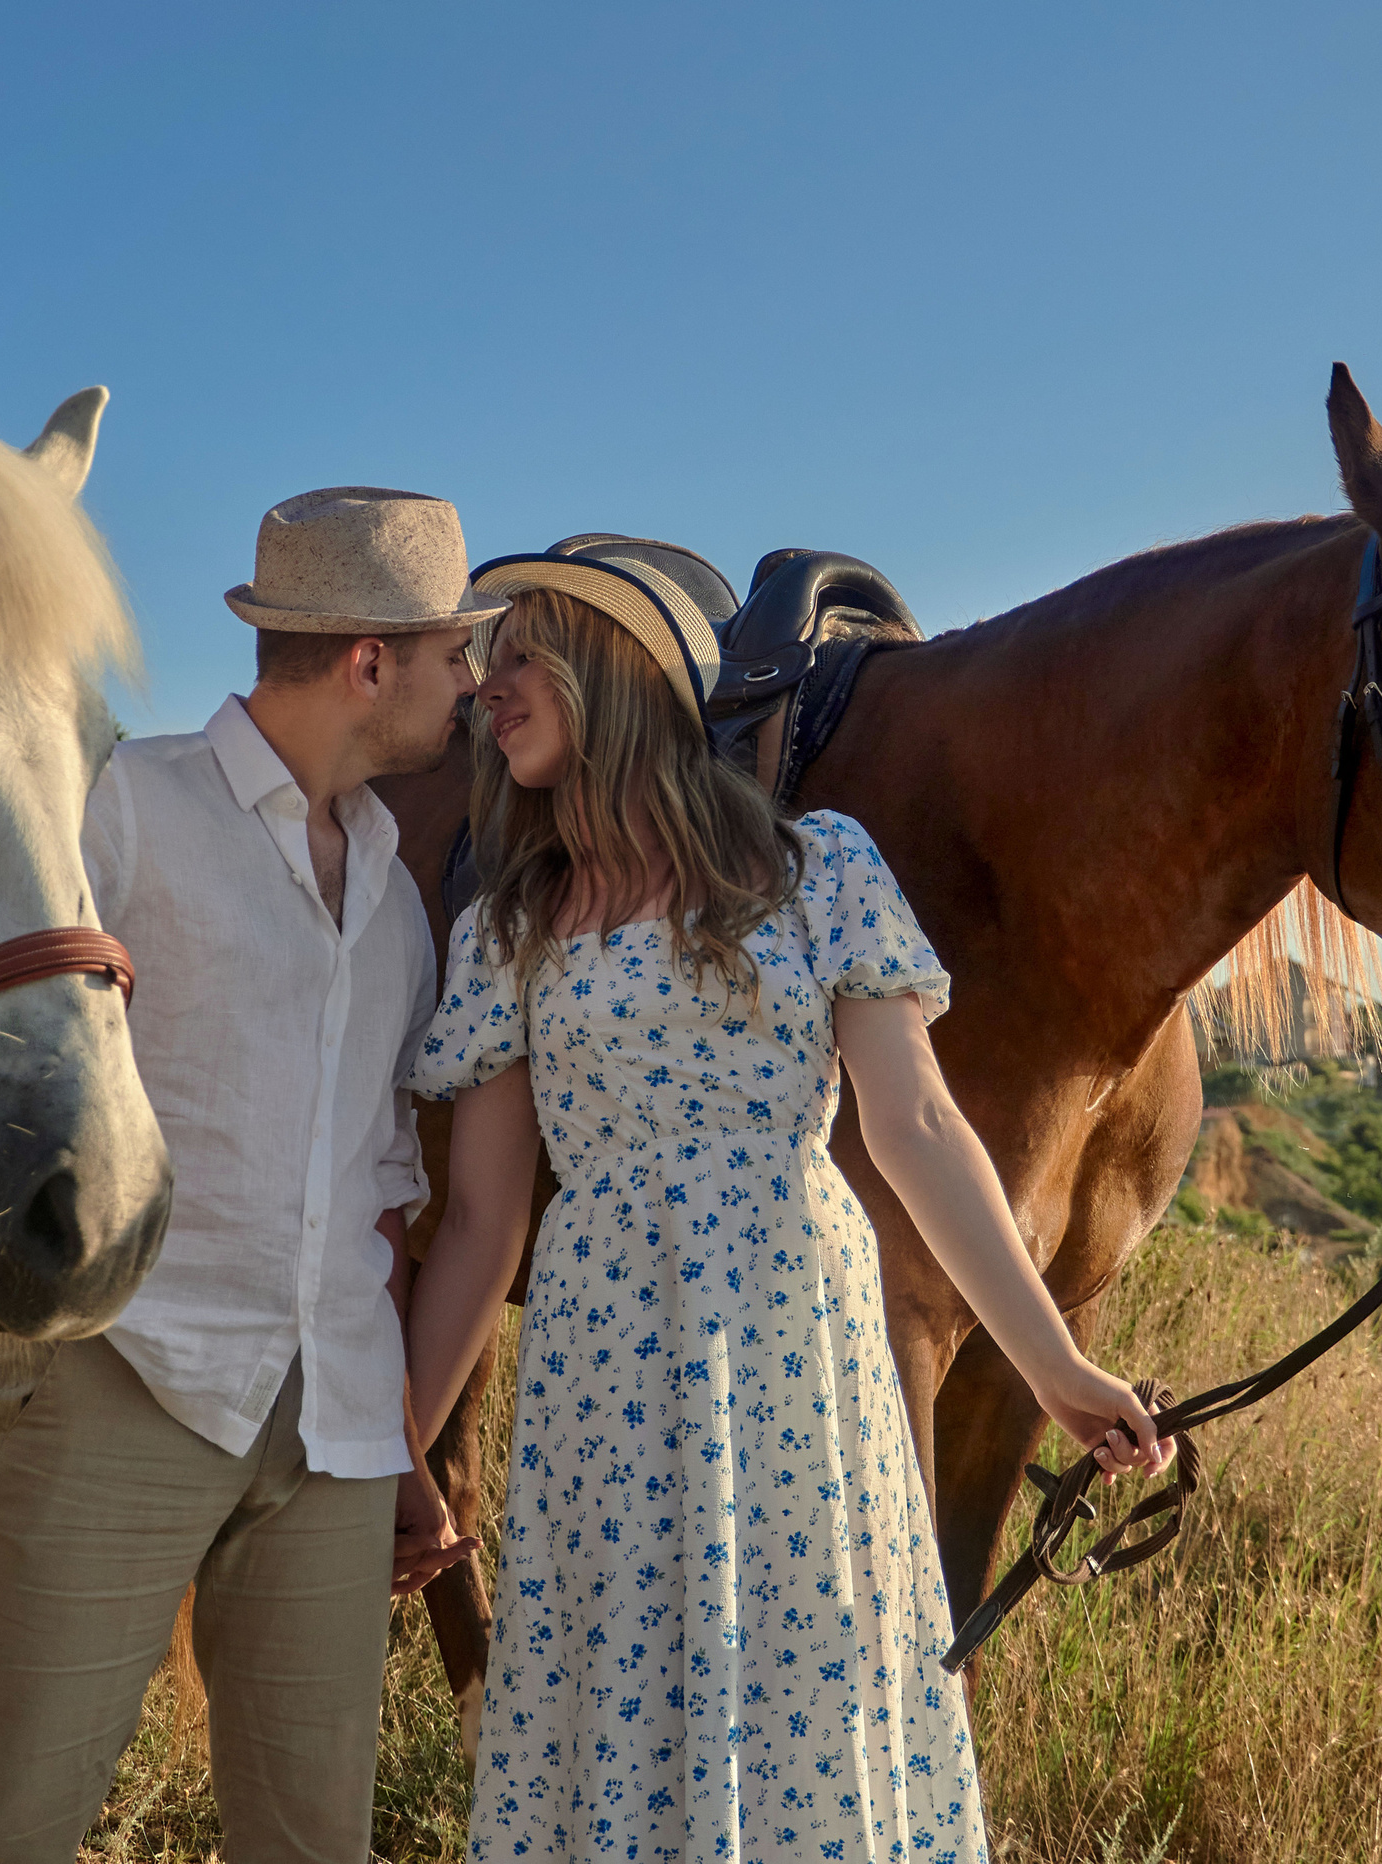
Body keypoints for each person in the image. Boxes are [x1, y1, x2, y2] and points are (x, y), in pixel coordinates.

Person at [403, 542, 1174, 1864]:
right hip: (607, 1367)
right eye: (487, 662)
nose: (491, 684)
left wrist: (1054, 1364)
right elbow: (481, 1224)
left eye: (524, 652)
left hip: (798, 1348)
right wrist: (401, 1451)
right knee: (622, 1717)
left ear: (619, 671)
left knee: (809, 1700)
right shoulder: (506, 931)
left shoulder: (815, 870)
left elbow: (918, 1126)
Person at [0, 488, 489, 1864]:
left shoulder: (399, 896)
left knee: (312, 1845)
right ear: (371, 661)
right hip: (127, 1375)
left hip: (340, 1433)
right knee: (9, 1825)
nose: (471, 686)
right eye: (453, 656)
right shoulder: (129, 809)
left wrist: (399, 1446)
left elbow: (375, 1185)